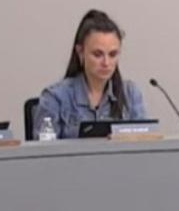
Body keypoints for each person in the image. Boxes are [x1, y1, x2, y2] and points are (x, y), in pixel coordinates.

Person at [36, 10, 148, 138]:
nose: (106, 63)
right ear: (80, 52)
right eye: (97, 54)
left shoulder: (131, 94)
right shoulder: (55, 98)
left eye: (112, 54)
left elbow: (143, 147)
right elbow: (44, 154)